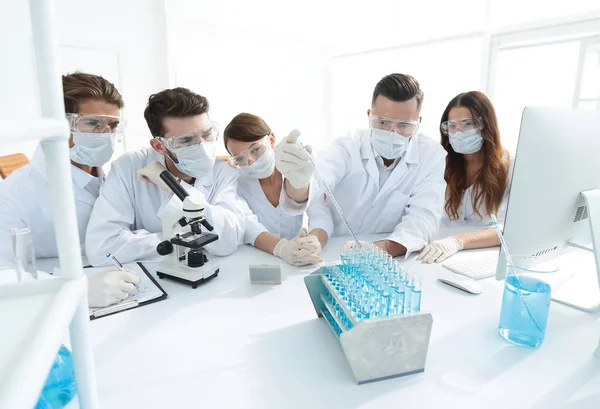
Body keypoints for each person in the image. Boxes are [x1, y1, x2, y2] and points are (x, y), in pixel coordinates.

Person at [0, 72, 140, 307]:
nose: (105, 134)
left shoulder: (118, 176)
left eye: (112, 125)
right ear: (57, 125)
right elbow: (3, 272)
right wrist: (74, 292)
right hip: (63, 313)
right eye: (94, 123)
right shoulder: (13, 195)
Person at [85, 87, 247, 266]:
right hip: (152, 279)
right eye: (186, 140)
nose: (202, 146)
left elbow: (229, 241)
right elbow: (102, 249)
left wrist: (173, 187)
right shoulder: (128, 167)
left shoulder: (223, 172)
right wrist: (182, 241)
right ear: (159, 146)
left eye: (207, 134)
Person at [299, 73, 447, 257]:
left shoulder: (431, 155)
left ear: (418, 123)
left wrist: (381, 249)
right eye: (383, 122)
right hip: (332, 247)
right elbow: (317, 185)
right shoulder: (347, 146)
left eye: (403, 125)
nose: (392, 132)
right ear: (369, 116)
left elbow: (424, 218)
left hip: (389, 254)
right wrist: (298, 180)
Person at [418, 91, 512, 263]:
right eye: (452, 126)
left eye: (467, 124)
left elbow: (513, 229)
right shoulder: (439, 164)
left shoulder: (510, 167)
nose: (459, 132)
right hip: (436, 252)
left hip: (483, 256)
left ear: (486, 125)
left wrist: (458, 241)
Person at [223, 113, 321, 266]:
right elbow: (248, 225)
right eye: (240, 158)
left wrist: (313, 240)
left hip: (298, 259)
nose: (251, 161)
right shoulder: (235, 182)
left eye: (255, 150)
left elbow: (319, 210)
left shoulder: (295, 167)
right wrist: (282, 248)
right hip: (256, 260)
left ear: (272, 140)